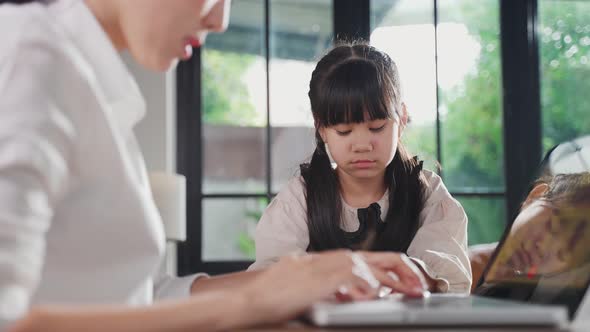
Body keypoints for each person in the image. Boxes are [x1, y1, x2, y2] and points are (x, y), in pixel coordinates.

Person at [0, 1, 429, 331]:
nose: (220, 20)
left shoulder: (86, 85)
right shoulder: (28, 58)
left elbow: (135, 298)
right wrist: (250, 302)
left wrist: (310, 277)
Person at [250, 43, 472, 294]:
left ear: (402, 119)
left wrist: (416, 274)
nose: (362, 145)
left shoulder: (427, 193)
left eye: (377, 127)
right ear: (321, 128)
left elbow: (449, 276)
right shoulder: (301, 198)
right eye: (344, 131)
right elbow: (269, 277)